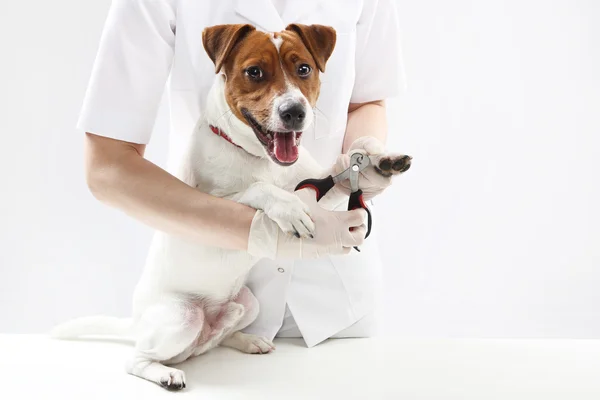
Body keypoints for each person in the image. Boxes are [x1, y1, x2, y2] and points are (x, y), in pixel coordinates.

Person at [78, 0, 406, 347]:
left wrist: (360, 159)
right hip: (204, 297)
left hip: (336, 302)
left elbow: (367, 101)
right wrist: (260, 232)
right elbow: (107, 169)